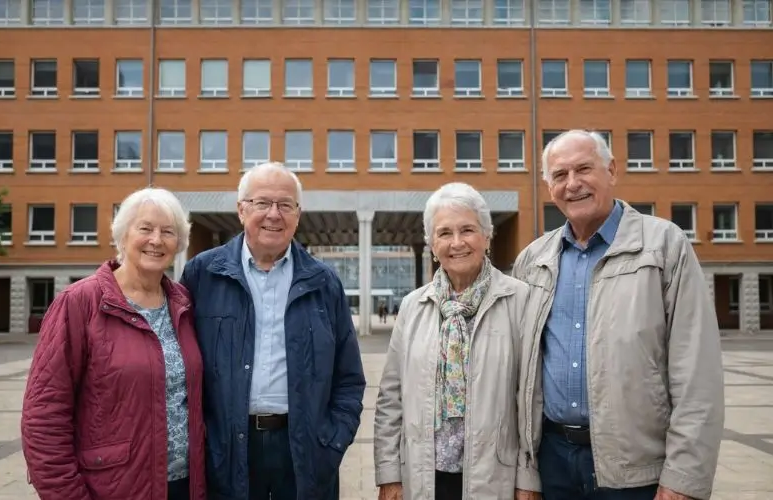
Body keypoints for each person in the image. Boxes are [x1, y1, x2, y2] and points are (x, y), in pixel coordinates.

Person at [512, 130, 725, 500]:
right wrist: (525, 473)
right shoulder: (533, 261)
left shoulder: (663, 246)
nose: (573, 184)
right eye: (560, 175)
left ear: (611, 170)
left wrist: (683, 477)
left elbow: (696, 372)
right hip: (553, 464)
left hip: (638, 471)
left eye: (584, 169)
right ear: (548, 187)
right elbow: (520, 376)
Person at [180, 161, 366, 500]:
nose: (274, 214)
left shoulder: (324, 283)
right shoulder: (202, 275)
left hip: (305, 453)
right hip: (226, 452)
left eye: (285, 205)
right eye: (262, 203)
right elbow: (179, 369)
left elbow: (349, 377)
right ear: (241, 210)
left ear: (298, 214)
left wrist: (333, 441)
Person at [21, 187, 207, 500]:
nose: (156, 240)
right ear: (122, 235)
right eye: (145, 228)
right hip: (114, 488)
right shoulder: (80, 303)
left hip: (185, 486)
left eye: (168, 232)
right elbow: (43, 417)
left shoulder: (183, 304)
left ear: (179, 243)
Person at [374, 182, 542, 500]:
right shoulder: (413, 305)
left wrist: (528, 478)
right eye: (444, 233)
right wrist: (389, 473)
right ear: (431, 244)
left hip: (496, 478)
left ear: (487, 236)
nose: (457, 243)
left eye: (467, 230)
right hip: (424, 476)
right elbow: (389, 400)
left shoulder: (521, 300)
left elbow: (531, 400)